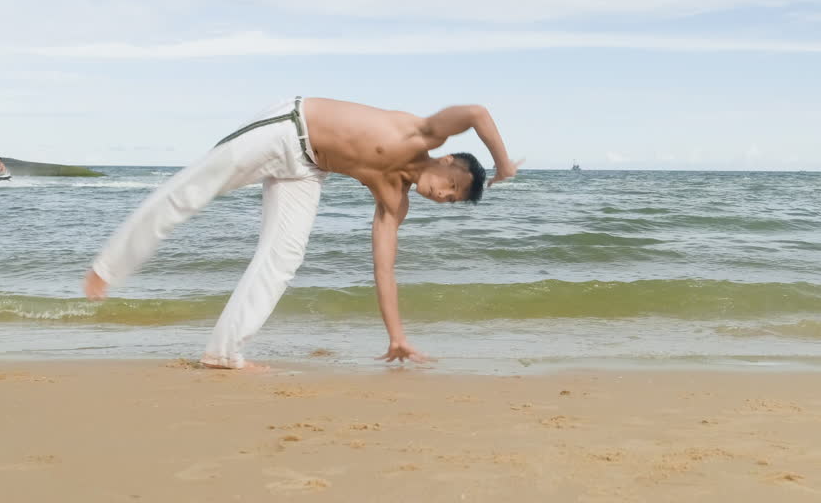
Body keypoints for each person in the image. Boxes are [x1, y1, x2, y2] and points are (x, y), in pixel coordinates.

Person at [82, 97, 519, 370]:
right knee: (197, 186)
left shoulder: (394, 200)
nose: (442, 195)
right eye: (452, 187)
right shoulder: (417, 132)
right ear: (446, 162)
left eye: (450, 201)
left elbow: (384, 269)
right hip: (288, 131)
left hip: (308, 171)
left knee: (284, 257)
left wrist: (397, 337)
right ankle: (108, 268)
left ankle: (224, 353)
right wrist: (502, 165)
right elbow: (478, 112)